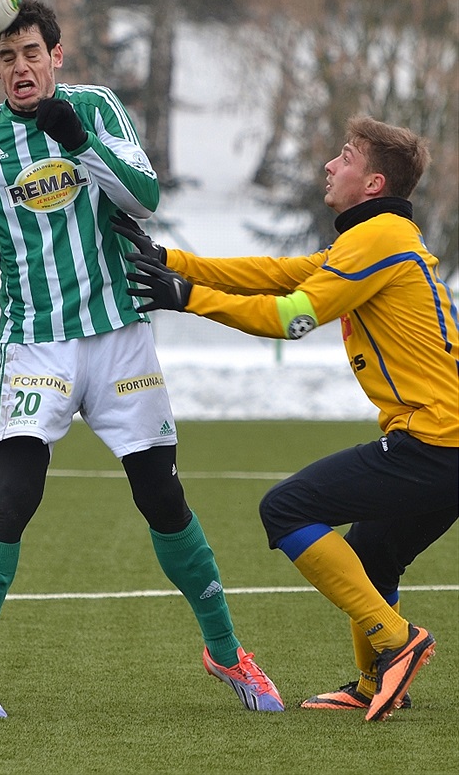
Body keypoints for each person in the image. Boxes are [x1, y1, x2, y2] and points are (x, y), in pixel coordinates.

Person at [0, 0, 284, 718]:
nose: (21, 67)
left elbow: (145, 197)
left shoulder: (97, 107)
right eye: (6, 57)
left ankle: (225, 651)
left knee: (162, 498)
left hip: (120, 332)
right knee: (16, 495)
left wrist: (77, 140)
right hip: (36, 343)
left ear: (56, 56)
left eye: (32, 52)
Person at [115, 115, 458, 722]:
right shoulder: (378, 239)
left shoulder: (381, 239)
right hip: (444, 446)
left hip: (434, 443)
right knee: (374, 553)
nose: (331, 165)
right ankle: (373, 680)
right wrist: (174, 261)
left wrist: (185, 297)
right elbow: (279, 275)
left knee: (286, 508)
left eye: (345, 156)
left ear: (374, 183)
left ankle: (397, 640)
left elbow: (289, 317)